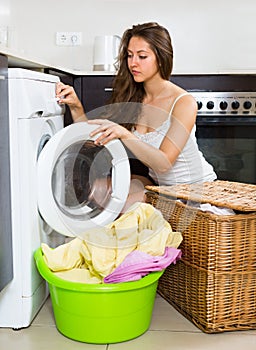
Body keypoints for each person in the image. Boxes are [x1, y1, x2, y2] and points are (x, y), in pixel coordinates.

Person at [56, 22, 217, 212]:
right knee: (98, 188)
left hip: (192, 191)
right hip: (160, 187)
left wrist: (124, 134)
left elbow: (164, 163)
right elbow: (95, 138)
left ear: (161, 58)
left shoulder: (183, 102)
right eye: (130, 56)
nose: (133, 63)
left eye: (142, 56)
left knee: (121, 208)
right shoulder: (133, 96)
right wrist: (76, 106)